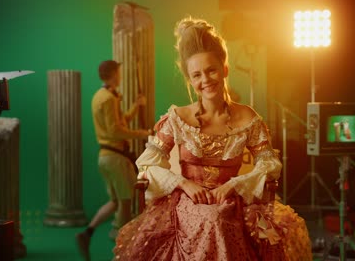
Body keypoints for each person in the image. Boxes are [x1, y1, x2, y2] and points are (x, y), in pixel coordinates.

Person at [113, 17, 312, 260]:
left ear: (224, 69)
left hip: (235, 203)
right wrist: (183, 183)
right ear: (190, 80)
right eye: (196, 75)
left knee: (235, 224)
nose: (205, 80)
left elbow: (270, 164)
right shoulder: (178, 117)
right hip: (186, 204)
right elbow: (148, 164)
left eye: (211, 70)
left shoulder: (247, 117)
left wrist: (234, 185)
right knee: (212, 219)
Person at [76, 60, 150, 260]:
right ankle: (125, 250)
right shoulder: (108, 98)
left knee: (115, 202)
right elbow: (115, 131)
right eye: (119, 72)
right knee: (125, 203)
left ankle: (87, 233)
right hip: (115, 158)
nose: (121, 75)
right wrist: (141, 134)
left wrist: (136, 106)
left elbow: (119, 122)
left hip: (105, 157)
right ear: (113, 74)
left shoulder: (101, 96)